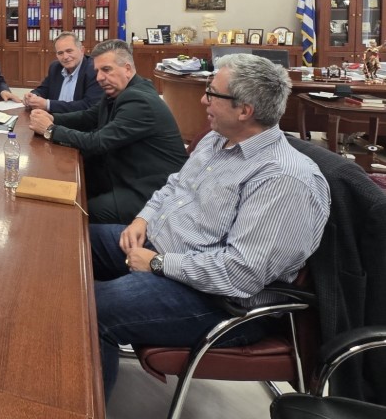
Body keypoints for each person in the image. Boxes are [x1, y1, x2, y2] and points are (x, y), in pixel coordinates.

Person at [88, 54, 330, 401]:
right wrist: (143, 219)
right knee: (73, 245)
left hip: (218, 300)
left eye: (212, 93)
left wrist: (157, 263)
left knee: (92, 307)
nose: (203, 100)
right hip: (162, 250)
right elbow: (174, 185)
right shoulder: (217, 139)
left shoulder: (283, 179)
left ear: (244, 110)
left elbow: (240, 273)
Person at [28, 38, 187, 223]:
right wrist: (52, 118)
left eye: (106, 69)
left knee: (76, 212)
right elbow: (88, 116)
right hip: (122, 174)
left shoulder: (140, 101)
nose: (99, 78)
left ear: (127, 69)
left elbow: (98, 142)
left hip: (149, 190)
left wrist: (50, 129)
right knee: (65, 187)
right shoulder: (120, 91)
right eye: (97, 71)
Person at [22, 32, 102, 113]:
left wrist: (48, 105)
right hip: (52, 118)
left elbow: (89, 105)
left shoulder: (94, 70)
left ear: (82, 50)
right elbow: (44, 89)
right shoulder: (55, 67)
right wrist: (33, 95)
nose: (65, 57)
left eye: (69, 51)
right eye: (60, 53)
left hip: (78, 120)